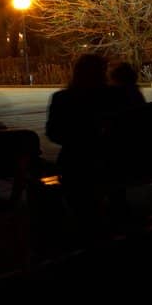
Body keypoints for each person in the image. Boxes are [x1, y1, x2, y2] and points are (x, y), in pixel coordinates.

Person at [46, 54, 118, 218]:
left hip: (75, 162)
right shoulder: (113, 97)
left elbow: (53, 133)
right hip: (110, 160)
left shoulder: (62, 98)